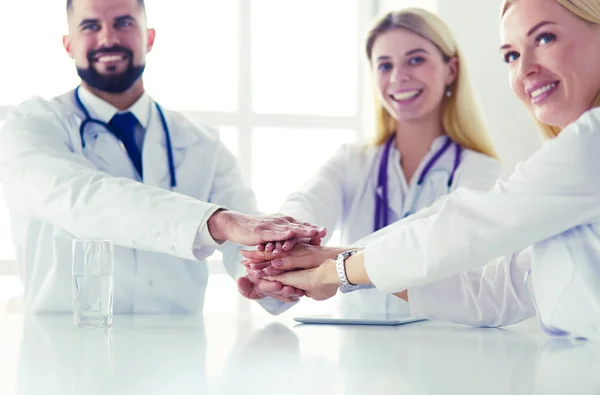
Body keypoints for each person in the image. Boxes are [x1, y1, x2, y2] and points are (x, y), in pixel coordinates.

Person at [243, 0, 600, 341]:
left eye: (545, 37)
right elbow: (490, 293)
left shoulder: (589, 142)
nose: (524, 69)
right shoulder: (578, 153)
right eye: (511, 55)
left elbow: (461, 228)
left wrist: (335, 269)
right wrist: (313, 258)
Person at [0, 0, 325, 314]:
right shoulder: (30, 125)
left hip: (179, 351)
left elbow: (246, 242)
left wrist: (269, 276)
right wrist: (218, 221)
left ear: (149, 37)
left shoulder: (201, 141)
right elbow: (83, 197)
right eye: (90, 26)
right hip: (61, 352)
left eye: (123, 23)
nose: (108, 38)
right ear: (68, 44)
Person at [242, 8, 501, 316]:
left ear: (451, 70)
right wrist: (281, 249)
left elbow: (435, 241)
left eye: (416, 59)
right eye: (384, 65)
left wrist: (325, 264)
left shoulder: (481, 172)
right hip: (359, 350)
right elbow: (307, 203)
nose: (398, 77)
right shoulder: (352, 162)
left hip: (444, 343)